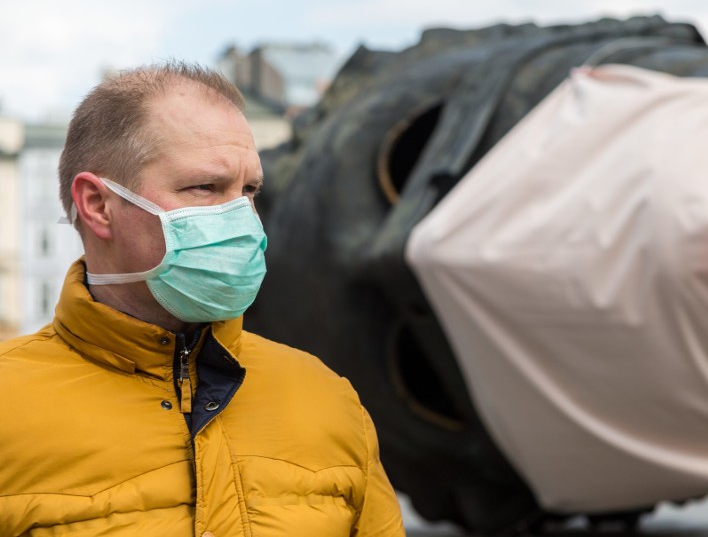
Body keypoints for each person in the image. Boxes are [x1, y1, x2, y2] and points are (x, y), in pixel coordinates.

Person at [0, 62, 406, 536]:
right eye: (206, 188)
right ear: (97, 204)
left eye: (249, 190)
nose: (243, 218)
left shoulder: (328, 399)